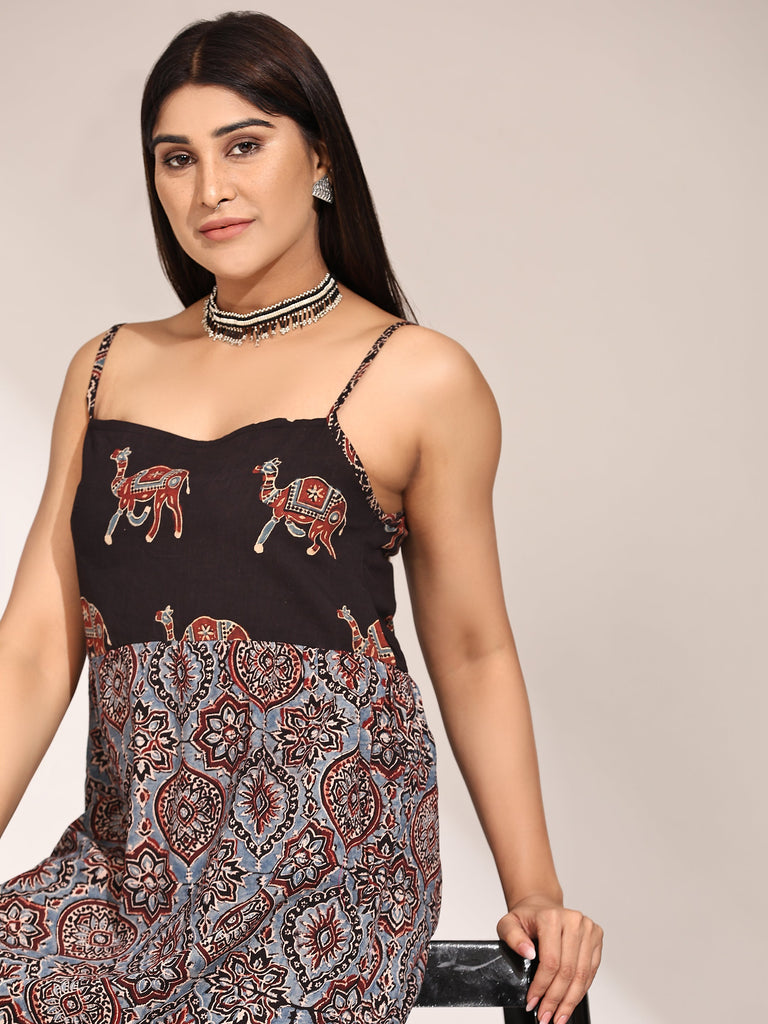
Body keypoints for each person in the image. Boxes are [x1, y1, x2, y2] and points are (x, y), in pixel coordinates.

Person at [0, 11, 602, 1024]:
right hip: (132, 864)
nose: (210, 189)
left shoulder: (417, 375)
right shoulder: (105, 367)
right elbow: (31, 648)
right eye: (177, 159)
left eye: (244, 146)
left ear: (319, 155)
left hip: (332, 864)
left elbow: (471, 648)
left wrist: (534, 885)